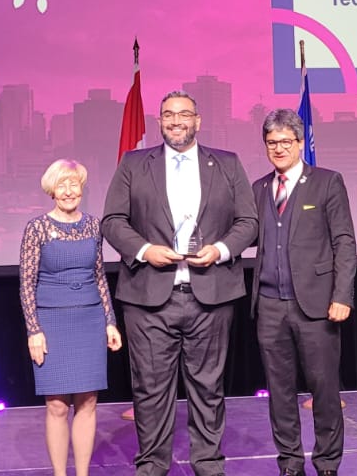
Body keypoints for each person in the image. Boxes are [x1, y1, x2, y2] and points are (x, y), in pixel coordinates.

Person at [102, 90, 258, 476]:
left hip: (211, 294)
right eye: (168, 114)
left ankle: (208, 466)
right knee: (151, 390)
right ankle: (152, 467)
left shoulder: (227, 163)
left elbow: (249, 222)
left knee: (208, 388)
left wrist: (220, 249)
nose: (176, 121)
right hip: (149, 297)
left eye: (184, 114)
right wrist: (144, 251)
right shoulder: (134, 163)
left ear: (198, 120)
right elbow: (113, 221)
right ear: (159, 121)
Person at [252, 109, 356, 476]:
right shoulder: (259, 188)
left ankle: (327, 463)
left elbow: (344, 242)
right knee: (279, 391)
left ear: (300, 143)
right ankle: (290, 463)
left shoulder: (327, 182)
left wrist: (342, 295)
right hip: (269, 306)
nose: (278, 149)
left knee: (324, 389)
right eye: (271, 143)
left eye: (285, 141)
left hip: (316, 306)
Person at [20, 159, 123, 476]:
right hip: (52, 321)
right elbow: (27, 283)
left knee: (88, 401)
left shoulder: (93, 225)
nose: (68, 191)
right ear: (52, 190)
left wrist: (110, 321)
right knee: (56, 405)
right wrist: (34, 330)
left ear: (82, 188)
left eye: (74, 184)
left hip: (89, 319)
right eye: (61, 185)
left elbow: (99, 277)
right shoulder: (37, 228)